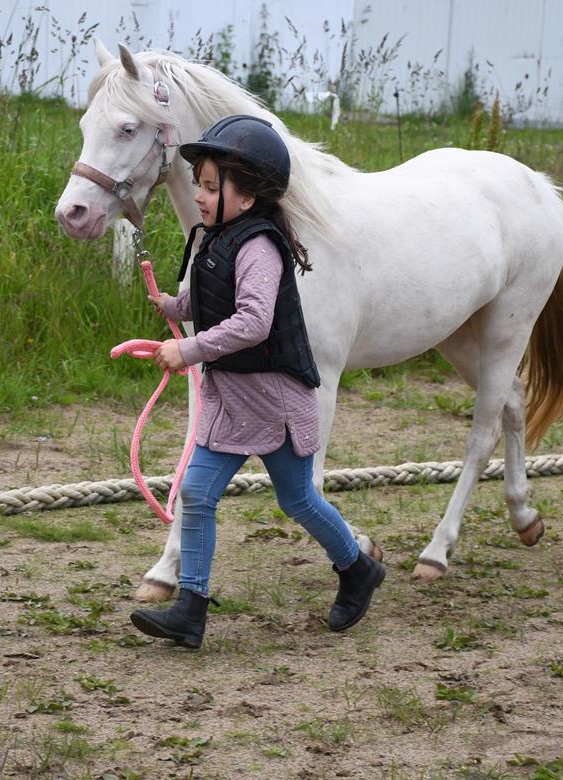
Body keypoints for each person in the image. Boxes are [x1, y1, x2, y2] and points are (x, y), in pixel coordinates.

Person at [129, 114, 385, 649]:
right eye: (198, 183)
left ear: (246, 198)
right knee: (197, 492)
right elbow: (212, 298)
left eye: (209, 185)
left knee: (297, 498)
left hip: (272, 399)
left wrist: (188, 349)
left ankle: (356, 569)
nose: (198, 195)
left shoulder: (260, 248)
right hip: (233, 399)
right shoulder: (217, 239)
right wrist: (174, 306)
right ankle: (191, 610)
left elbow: (251, 322)